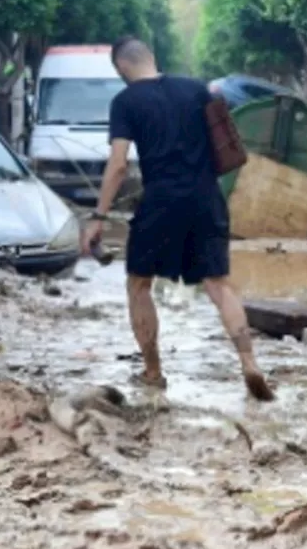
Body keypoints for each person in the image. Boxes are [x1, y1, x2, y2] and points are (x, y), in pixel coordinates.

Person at [80, 36, 275, 402]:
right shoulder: (196, 89)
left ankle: (153, 372)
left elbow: (119, 164)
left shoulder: (125, 102)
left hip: (160, 202)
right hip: (206, 197)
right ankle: (249, 363)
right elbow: (226, 141)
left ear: (122, 68)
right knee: (220, 286)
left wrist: (98, 216)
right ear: (152, 57)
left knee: (139, 285)